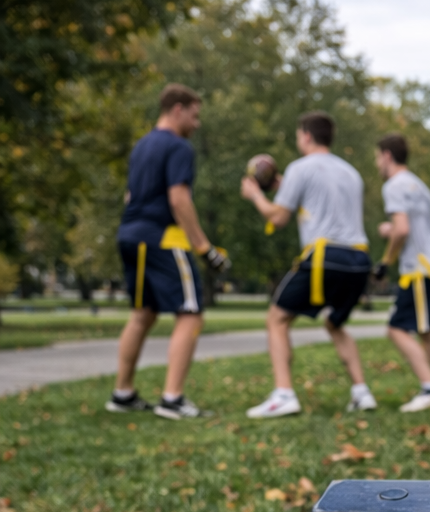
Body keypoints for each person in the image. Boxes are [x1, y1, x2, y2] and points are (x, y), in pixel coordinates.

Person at [240, 111, 376, 417]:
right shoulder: (350, 173)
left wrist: (255, 195)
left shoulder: (300, 168)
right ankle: (362, 392)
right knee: (335, 323)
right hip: (358, 260)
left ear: (306, 136)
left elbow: (279, 217)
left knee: (277, 319)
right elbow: (323, 204)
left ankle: (283, 394)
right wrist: (285, 187)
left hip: (325, 256)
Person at [110, 83, 229, 419]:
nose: (197, 124)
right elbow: (179, 200)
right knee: (190, 314)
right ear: (178, 109)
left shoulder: (142, 146)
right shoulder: (179, 147)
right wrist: (205, 249)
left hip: (129, 235)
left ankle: (123, 393)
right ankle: (172, 399)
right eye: (194, 115)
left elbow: (129, 196)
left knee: (142, 314)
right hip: (162, 238)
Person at [374, 134, 430, 412]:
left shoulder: (394, 185)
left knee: (396, 329)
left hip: (421, 270)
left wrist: (386, 261)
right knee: (426, 330)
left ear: (387, 156)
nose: (377, 164)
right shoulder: (420, 186)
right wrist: (394, 229)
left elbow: (402, 229)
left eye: (377, 157)